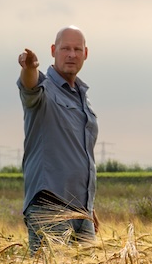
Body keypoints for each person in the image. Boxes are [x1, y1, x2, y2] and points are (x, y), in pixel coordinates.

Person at [18, 26, 99, 251]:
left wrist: (88, 206)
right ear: (53, 50)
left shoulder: (83, 98)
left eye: (77, 49)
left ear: (86, 53)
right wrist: (29, 67)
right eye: (65, 49)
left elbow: (80, 155)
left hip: (83, 214)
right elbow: (29, 85)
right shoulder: (44, 89)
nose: (71, 54)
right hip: (50, 208)